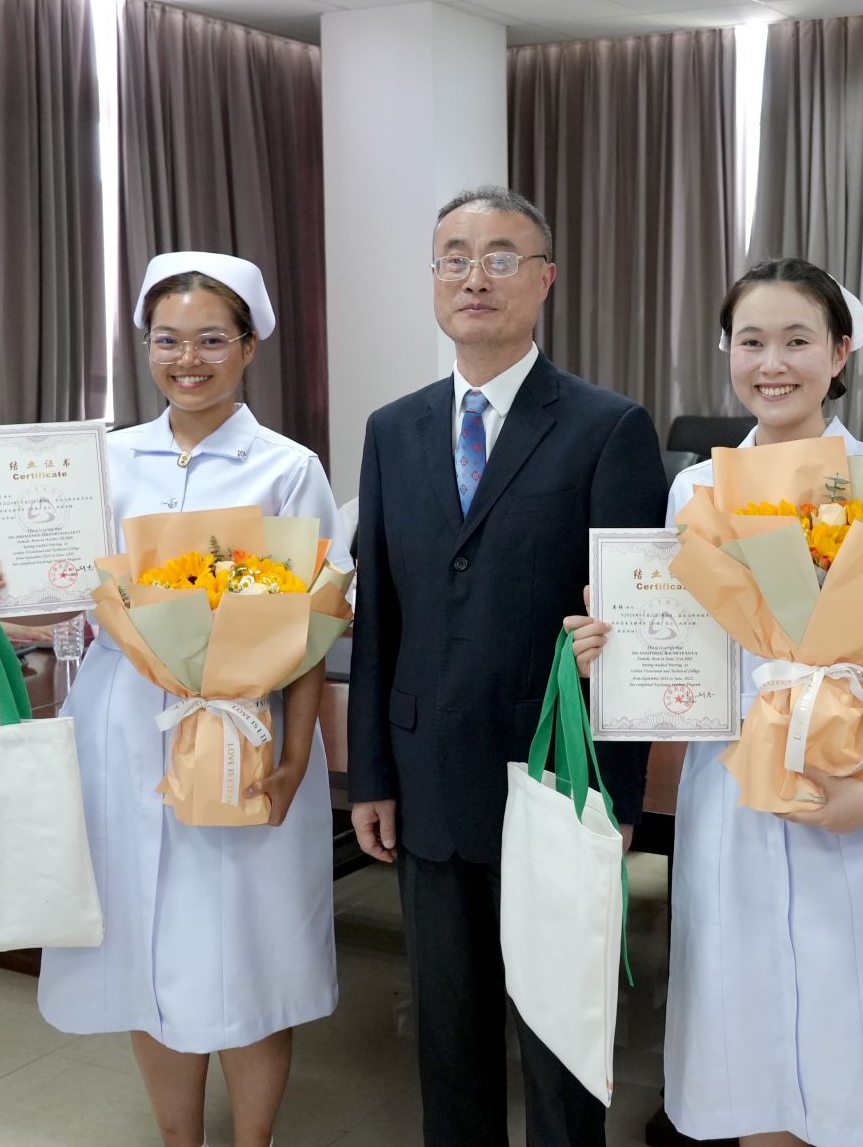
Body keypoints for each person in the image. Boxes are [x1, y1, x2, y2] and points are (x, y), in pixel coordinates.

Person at [566, 258, 863, 1147]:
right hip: (732, 790)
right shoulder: (695, 489)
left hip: (854, 785)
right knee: (745, 1032)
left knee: (860, 1027)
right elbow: (683, 641)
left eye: (798, 340)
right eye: (751, 341)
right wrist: (610, 649)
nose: (773, 363)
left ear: (840, 352)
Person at [0, 252, 341, 1147]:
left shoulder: (287, 468)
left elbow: (313, 622)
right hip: (123, 723)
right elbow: (58, 595)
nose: (187, 360)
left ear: (249, 346)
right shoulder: (99, 462)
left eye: (211, 340)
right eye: (168, 340)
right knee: (143, 945)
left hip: (247, 731)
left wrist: (294, 755)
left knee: (248, 948)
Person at [348, 185, 667, 1147]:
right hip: (427, 775)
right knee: (448, 1038)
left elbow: (630, 626)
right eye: (454, 256)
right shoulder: (392, 428)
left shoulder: (608, 426)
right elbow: (381, 617)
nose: (474, 276)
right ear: (433, 278)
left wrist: (616, 797)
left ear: (545, 279)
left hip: (556, 779)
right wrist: (372, 774)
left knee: (560, 1041)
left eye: (499, 256)